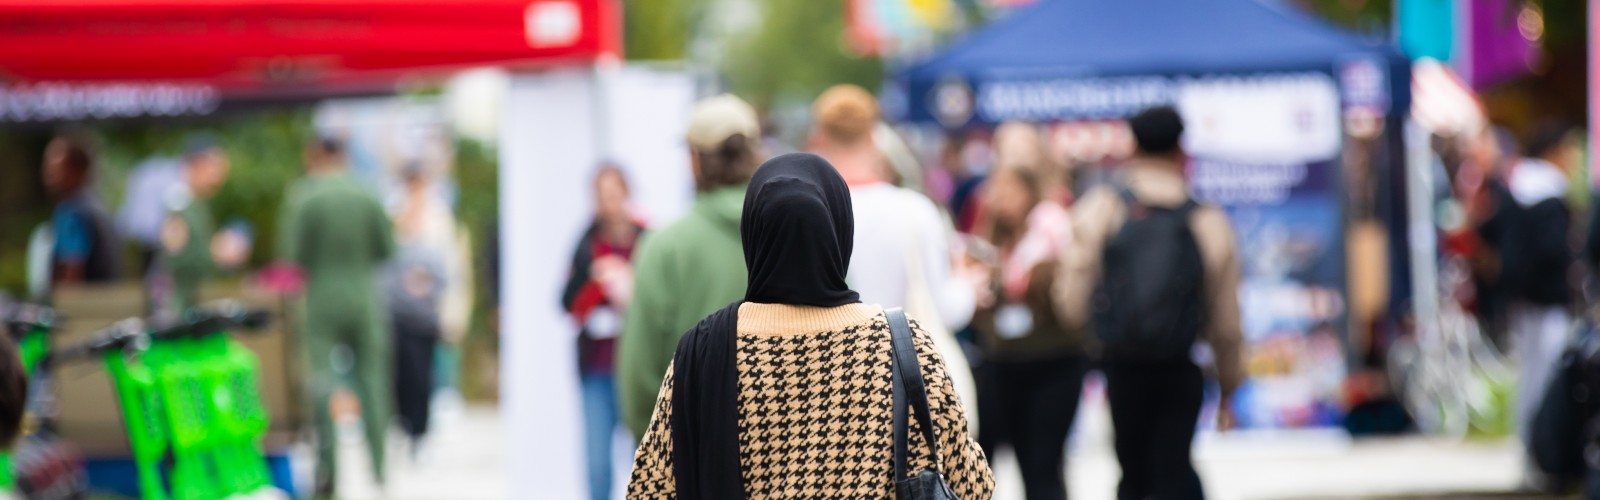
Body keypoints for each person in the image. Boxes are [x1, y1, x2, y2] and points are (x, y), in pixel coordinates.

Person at [626, 153, 994, 498]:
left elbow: (649, 488)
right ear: (840, 230)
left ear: (753, 234)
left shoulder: (702, 352)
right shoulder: (901, 344)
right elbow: (972, 485)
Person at [1062, 106, 1242, 500]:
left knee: (1133, 472)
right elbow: (1226, 321)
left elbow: (1072, 296)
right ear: (1181, 151)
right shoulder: (1205, 219)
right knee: (1175, 468)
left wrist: (1091, 341)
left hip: (1123, 367)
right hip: (1180, 366)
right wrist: (1229, 385)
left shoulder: (1104, 208)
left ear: (1133, 148)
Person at [807, 84, 980, 422]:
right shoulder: (914, 210)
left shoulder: (811, 212)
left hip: (835, 390)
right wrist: (968, 282)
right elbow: (947, 310)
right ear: (875, 134)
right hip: (908, 387)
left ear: (821, 137)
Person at [618, 95, 764, 439]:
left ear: (695, 160)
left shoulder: (665, 246)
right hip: (791, 458)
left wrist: (658, 449)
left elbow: (639, 372)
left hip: (697, 450)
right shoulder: (800, 236)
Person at [970, 125, 1086, 500]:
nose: (1000, 198)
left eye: (1008, 190)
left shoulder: (1050, 223)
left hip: (1053, 358)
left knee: (1042, 466)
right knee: (993, 460)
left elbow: (1062, 289)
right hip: (1002, 360)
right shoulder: (990, 233)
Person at [283, 135, 396, 498]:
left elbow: (292, 257)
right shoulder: (367, 194)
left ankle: (327, 475)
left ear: (315, 155)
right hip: (364, 297)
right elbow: (387, 250)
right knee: (373, 382)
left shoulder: (306, 196)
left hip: (321, 300)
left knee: (322, 384)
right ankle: (379, 470)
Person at [561, 165, 645, 500]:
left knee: (643, 456)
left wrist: (629, 283)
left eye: (615, 193)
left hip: (637, 367)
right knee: (597, 463)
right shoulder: (585, 243)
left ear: (626, 193)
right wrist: (596, 282)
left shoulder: (647, 239)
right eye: (602, 195)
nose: (609, 203)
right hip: (596, 367)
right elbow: (567, 304)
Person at [1502, 122, 1579, 473]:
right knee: (1546, 373)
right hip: (1547, 298)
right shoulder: (1549, 195)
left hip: (1521, 296)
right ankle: (1542, 449)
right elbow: (1552, 250)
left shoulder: (1517, 189)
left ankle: (1530, 446)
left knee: (1530, 375)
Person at [385, 163, 452, 463]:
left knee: (423, 375)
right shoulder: (393, 219)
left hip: (425, 317)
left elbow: (447, 273)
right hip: (398, 315)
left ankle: (421, 432)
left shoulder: (438, 221)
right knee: (400, 375)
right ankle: (404, 427)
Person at [158, 134, 234, 312]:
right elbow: (176, 260)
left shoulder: (196, 205)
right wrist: (214, 252)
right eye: (214, 165)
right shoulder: (179, 206)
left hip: (194, 305)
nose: (219, 174)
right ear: (196, 165)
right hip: (180, 308)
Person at [40, 134, 120, 285]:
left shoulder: (72, 211)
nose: (48, 176)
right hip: (106, 300)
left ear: (78, 171)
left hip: (83, 304)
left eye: (56, 169)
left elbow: (72, 268)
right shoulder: (99, 206)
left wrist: (62, 305)